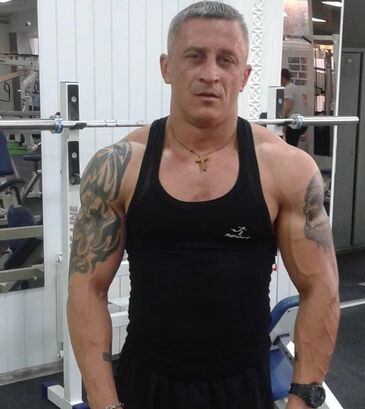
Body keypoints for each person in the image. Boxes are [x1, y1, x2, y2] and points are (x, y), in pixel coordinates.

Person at [67, 2, 340, 409]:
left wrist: (302, 399)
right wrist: (105, 403)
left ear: (244, 75)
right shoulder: (119, 165)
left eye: (226, 60)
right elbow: (87, 288)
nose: (210, 74)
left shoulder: (287, 169)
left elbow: (321, 289)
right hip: (144, 384)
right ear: (166, 67)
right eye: (194, 56)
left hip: (242, 387)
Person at [281, 68, 308, 147]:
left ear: (283, 78)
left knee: (290, 146)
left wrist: (282, 117)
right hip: (301, 122)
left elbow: (289, 104)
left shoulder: (288, 88)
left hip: (295, 123)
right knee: (292, 145)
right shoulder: (294, 87)